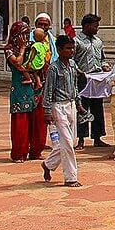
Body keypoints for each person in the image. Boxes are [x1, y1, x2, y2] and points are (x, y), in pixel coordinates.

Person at [41, 34, 82, 187]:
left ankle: (49, 164)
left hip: (71, 104)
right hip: (58, 106)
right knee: (67, 142)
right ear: (59, 50)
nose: (71, 51)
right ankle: (71, 177)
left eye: (72, 48)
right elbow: (49, 90)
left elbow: (75, 86)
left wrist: (78, 103)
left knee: (70, 141)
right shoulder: (53, 68)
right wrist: (47, 111)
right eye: (68, 48)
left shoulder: (72, 65)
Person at [4, 21, 43, 163]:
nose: (25, 38)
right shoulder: (9, 49)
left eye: (27, 34)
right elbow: (17, 62)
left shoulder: (32, 46)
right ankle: (19, 153)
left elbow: (39, 60)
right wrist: (21, 48)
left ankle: (36, 150)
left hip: (34, 87)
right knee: (21, 121)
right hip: (20, 88)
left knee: (37, 120)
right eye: (22, 35)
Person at [74, 13, 108, 149]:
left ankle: (97, 137)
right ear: (87, 26)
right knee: (82, 108)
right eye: (95, 26)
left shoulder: (98, 42)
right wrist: (78, 71)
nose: (97, 28)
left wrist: (105, 66)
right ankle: (81, 139)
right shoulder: (77, 41)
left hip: (97, 79)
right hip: (83, 79)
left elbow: (102, 58)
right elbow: (71, 59)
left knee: (97, 108)